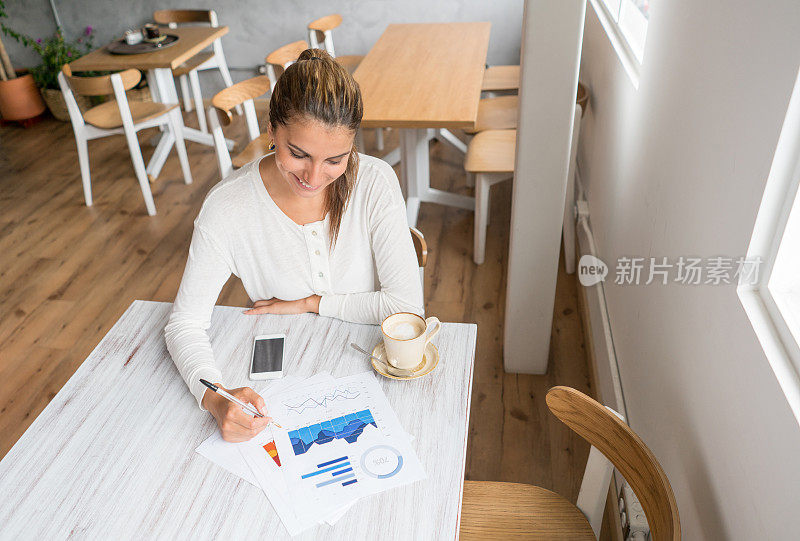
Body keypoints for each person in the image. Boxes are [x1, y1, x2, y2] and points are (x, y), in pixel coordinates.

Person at [164, 49, 423, 442]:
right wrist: (215, 398)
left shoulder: (375, 182)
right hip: (286, 390)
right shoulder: (227, 207)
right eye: (298, 154)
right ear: (272, 130)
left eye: (336, 160)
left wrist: (311, 303)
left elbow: (405, 309)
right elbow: (184, 324)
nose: (315, 177)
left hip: (378, 377)